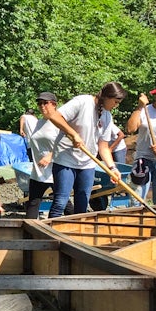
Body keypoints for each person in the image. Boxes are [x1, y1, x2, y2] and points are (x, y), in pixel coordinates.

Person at [43, 82, 128, 218]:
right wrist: (73, 134)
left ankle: (77, 234)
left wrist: (112, 168)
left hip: (88, 164)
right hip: (66, 159)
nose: (115, 106)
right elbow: (54, 116)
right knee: (61, 202)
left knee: (82, 204)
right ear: (107, 97)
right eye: (115, 102)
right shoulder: (82, 102)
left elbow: (103, 146)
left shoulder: (106, 116)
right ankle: (49, 236)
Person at [24, 93, 62, 219]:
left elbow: (66, 145)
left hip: (54, 170)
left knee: (62, 202)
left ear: (54, 104)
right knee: (33, 203)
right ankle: (29, 234)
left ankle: (75, 224)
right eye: (39, 103)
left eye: (45, 103)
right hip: (38, 171)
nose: (42, 106)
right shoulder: (38, 123)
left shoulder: (59, 122)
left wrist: (50, 156)